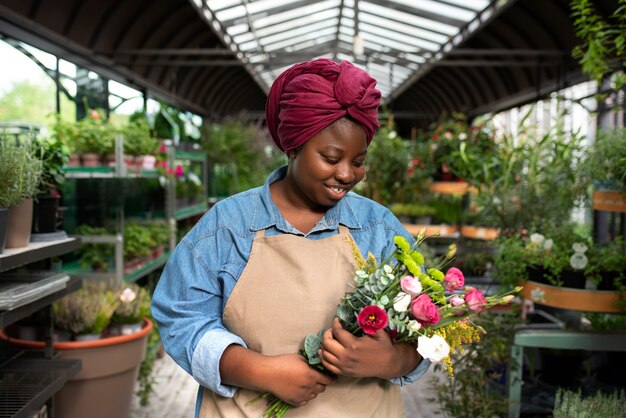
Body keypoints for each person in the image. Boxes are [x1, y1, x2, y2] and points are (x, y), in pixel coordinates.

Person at [151, 58, 431, 418]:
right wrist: (258, 370)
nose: (346, 174)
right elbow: (180, 316)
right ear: (293, 147)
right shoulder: (229, 226)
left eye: (358, 161)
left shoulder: (377, 228)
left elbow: (430, 322)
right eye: (331, 158)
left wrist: (393, 360)